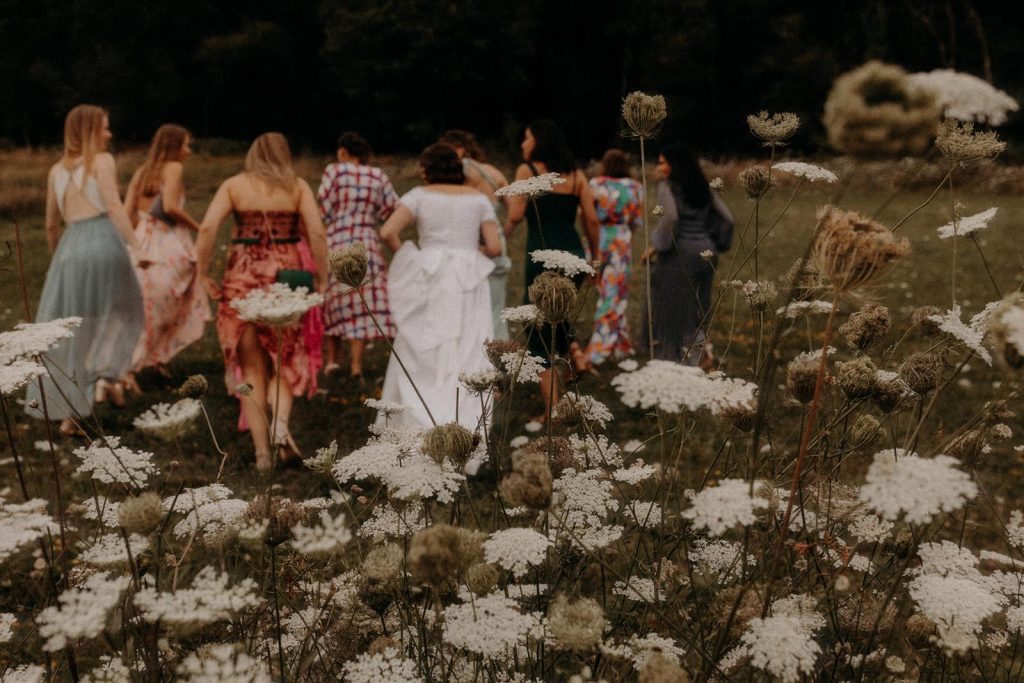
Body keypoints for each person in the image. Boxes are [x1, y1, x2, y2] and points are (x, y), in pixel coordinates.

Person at [196, 133, 328, 471]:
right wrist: (324, 276)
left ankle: (262, 456)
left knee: (253, 368)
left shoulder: (234, 185)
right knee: (283, 362)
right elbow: (315, 233)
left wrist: (202, 271)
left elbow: (209, 227)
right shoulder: (297, 186)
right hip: (286, 280)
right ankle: (280, 428)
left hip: (242, 278)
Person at [26, 104, 145, 435]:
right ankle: (105, 380)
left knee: (75, 329)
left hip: (69, 247)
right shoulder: (102, 162)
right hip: (103, 242)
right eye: (105, 127)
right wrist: (137, 245)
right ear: (92, 131)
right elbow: (114, 207)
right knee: (126, 311)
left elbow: (51, 224)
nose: (109, 133)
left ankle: (78, 407)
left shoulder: (55, 171)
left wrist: (60, 259)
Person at [377, 143, 502, 429]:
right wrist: (469, 254)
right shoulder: (478, 199)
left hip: (430, 274)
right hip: (468, 279)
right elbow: (495, 247)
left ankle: (420, 420)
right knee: (468, 350)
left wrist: (410, 257)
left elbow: (387, 231)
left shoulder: (419, 196)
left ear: (426, 170)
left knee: (426, 345)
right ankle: (464, 428)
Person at [505, 120, 599, 422]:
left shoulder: (527, 171)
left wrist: (504, 222)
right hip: (574, 255)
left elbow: (517, 214)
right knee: (557, 319)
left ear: (539, 141)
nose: (523, 144)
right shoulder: (576, 176)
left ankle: (551, 411)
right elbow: (592, 220)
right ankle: (575, 360)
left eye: (527, 137)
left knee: (538, 330)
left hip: (540, 257)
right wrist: (594, 258)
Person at [123, 124, 210, 384]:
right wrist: (199, 227)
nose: (189, 151)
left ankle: (153, 358)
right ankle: (135, 365)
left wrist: (133, 244)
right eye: (185, 145)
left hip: (140, 241)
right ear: (173, 147)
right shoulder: (173, 168)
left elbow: (128, 211)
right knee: (168, 304)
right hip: (165, 242)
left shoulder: (143, 171)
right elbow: (171, 207)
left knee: (145, 305)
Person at [317, 132, 399, 380]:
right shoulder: (378, 176)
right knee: (363, 302)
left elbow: (323, 207)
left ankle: (332, 362)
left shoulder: (335, 171)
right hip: (366, 243)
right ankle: (355, 365)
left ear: (343, 151)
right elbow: (392, 208)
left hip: (337, 240)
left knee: (336, 299)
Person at [643, 142, 733, 367]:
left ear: (674, 165)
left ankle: (674, 359)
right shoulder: (702, 186)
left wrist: (658, 244)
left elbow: (670, 217)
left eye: (663, 163)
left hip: (680, 253)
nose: (659, 167)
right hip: (707, 253)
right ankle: (701, 353)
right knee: (699, 308)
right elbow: (728, 219)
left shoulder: (668, 186)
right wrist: (719, 243)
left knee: (670, 309)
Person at [438, 130, 511, 340]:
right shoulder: (495, 174)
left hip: (466, 241)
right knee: (496, 306)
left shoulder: (458, 173)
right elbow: (515, 212)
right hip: (495, 240)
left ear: (460, 149)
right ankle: (499, 355)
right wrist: (503, 234)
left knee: (466, 304)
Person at [585, 149, 643, 366]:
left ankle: (603, 347)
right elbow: (636, 221)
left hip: (598, 238)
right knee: (615, 291)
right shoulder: (636, 188)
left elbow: (587, 215)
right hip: (621, 239)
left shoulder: (596, 184)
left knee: (608, 292)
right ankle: (618, 344)